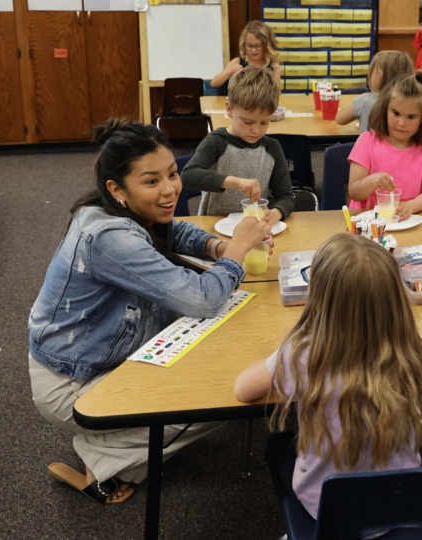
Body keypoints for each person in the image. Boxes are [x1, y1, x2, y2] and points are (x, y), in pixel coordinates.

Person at [29, 120, 272, 504]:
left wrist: (218, 248)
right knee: (224, 396)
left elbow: (173, 229)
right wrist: (239, 248)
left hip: (107, 353)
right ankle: (104, 458)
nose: (170, 188)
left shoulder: (119, 211)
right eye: (152, 181)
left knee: (216, 363)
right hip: (70, 383)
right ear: (116, 188)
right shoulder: (109, 237)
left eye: (173, 174)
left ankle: (117, 439)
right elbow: (203, 299)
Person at [234, 233, 422, 519]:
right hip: (400, 505)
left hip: (330, 512)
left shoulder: (304, 353)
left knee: (277, 445)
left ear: (319, 296)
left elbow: (243, 388)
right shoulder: (408, 347)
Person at [181, 66, 294, 222]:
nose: (256, 130)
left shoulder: (272, 148)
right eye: (248, 122)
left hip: (254, 227)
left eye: (264, 122)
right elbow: (188, 176)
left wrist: (276, 212)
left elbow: (286, 197)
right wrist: (234, 181)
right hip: (215, 226)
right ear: (229, 109)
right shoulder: (216, 142)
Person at [346, 71, 422, 221]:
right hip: (368, 223)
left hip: (407, 220)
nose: (401, 123)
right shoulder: (366, 141)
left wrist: (411, 206)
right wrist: (372, 181)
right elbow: (354, 192)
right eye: (395, 113)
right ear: (385, 109)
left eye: (411, 117)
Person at [335, 50, 414, 133]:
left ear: (380, 75)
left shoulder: (366, 100)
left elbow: (339, 119)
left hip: (369, 146)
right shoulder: (413, 101)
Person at [211, 21, 282, 94]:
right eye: (250, 46)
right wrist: (230, 72)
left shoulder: (273, 67)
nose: (254, 50)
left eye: (258, 46)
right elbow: (214, 83)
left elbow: (278, 95)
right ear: (244, 45)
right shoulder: (238, 61)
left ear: (266, 45)